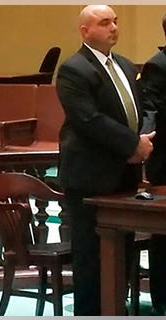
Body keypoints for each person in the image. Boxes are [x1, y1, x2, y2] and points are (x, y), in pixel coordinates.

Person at [55, 5, 155, 315]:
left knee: (121, 255)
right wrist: (131, 145)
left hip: (123, 176)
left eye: (115, 21)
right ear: (85, 31)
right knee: (91, 259)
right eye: (104, 22)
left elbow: (144, 106)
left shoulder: (124, 65)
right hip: (89, 179)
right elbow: (88, 119)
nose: (113, 27)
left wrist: (145, 136)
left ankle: (116, 310)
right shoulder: (74, 69)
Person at [138, 12, 166, 316]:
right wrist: (144, 140)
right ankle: (162, 297)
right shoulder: (158, 66)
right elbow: (151, 110)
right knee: (164, 235)